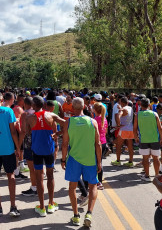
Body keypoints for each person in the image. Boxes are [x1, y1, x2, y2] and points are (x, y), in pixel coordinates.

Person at [61, 97, 102, 227]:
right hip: (90, 159)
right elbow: (98, 144)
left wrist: (62, 159)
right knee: (93, 186)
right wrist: (99, 162)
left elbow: (65, 143)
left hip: (74, 159)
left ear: (72, 108)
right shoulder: (93, 122)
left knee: (72, 187)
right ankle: (89, 213)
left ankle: (76, 215)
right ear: (84, 107)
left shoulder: (69, 122)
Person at [27, 96, 64, 217]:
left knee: (39, 178)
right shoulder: (51, 115)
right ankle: (51, 204)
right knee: (50, 176)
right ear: (44, 105)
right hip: (49, 149)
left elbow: (27, 132)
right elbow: (66, 123)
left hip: (37, 150)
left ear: (33, 105)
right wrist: (58, 133)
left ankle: (42, 207)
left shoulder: (30, 117)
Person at [133, 98, 162, 182]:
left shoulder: (137, 115)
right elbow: (160, 128)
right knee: (156, 158)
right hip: (155, 139)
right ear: (149, 105)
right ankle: (157, 176)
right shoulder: (155, 114)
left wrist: (136, 137)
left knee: (145, 158)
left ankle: (147, 176)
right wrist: (161, 138)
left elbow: (135, 128)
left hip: (143, 140)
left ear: (141, 105)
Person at [19, 97, 37, 196]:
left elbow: (24, 131)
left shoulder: (25, 115)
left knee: (31, 167)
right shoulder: (38, 113)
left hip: (29, 142)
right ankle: (39, 186)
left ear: (25, 104)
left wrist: (18, 144)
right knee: (38, 166)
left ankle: (34, 187)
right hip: (38, 141)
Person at [111, 97, 135, 167]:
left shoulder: (123, 109)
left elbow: (118, 115)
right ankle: (130, 162)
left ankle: (118, 161)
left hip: (124, 129)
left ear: (122, 103)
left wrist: (118, 125)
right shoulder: (130, 108)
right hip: (130, 129)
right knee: (130, 146)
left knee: (119, 145)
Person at [93, 102, 108, 190]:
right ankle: (100, 182)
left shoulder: (95, 119)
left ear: (95, 110)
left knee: (95, 163)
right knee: (100, 162)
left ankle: (96, 182)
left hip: (96, 143)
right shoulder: (104, 118)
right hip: (103, 142)